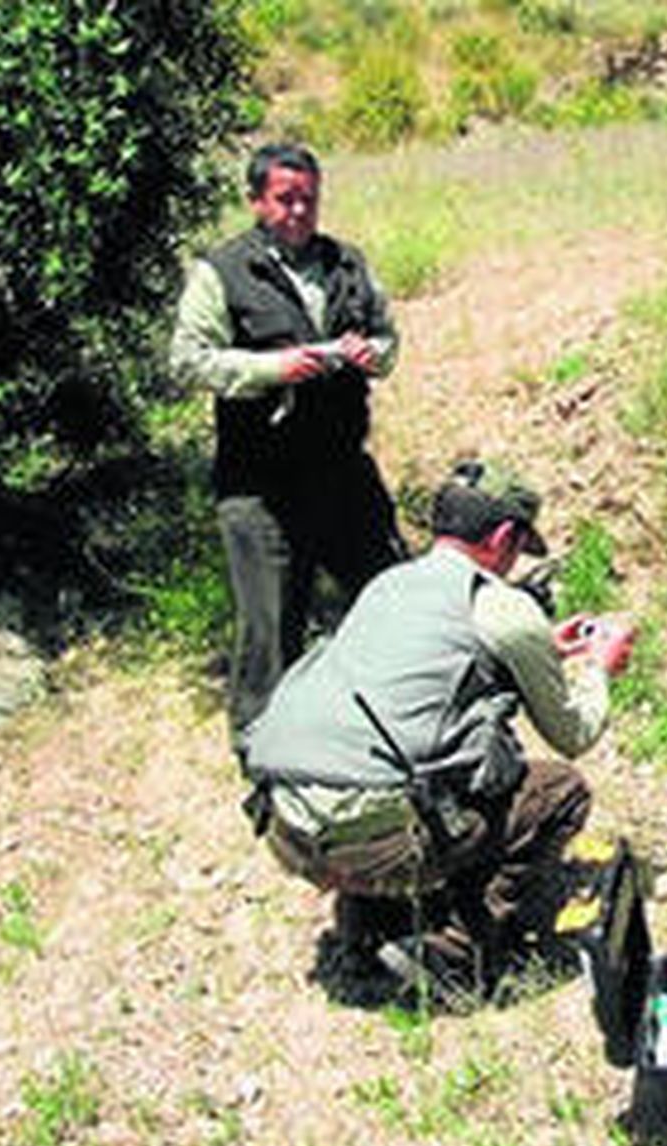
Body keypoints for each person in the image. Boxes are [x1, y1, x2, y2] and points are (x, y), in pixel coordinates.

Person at [241, 460, 636, 1004]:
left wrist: (541, 645)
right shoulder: (502, 607)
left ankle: (366, 931)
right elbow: (575, 732)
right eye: (519, 545)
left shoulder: (391, 583)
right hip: (374, 845)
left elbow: (410, 680)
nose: (517, 559)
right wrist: (598, 667)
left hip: (285, 823)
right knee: (558, 793)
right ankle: (453, 955)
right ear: (503, 537)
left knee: (385, 771)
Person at [171, 142, 405, 759]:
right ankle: (262, 753)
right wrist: (272, 368)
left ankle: (387, 726)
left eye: (309, 198)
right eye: (286, 198)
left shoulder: (347, 263)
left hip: (343, 472)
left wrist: (369, 355)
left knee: (389, 594)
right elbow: (189, 359)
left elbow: (387, 336)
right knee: (270, 626)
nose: (300, 210)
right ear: (256, 201)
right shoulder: (222, 271)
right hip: (259, 484)